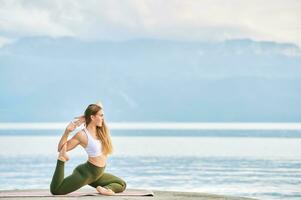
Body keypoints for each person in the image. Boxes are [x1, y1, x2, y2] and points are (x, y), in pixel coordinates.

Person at [50, 103, 127, 195]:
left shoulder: (100, 131)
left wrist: (85, 117)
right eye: (101, 116)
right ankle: (61, 160)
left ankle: (106, 189)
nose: (103, 118)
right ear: (92, 117)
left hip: (98, 174)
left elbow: (98, 104)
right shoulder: (82, 135)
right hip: (86, 173)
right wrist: (67, 132)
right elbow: (61, 148)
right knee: (56, 190)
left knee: (122, 184)